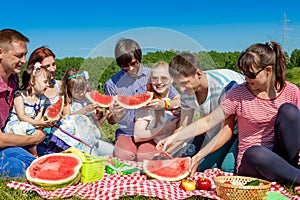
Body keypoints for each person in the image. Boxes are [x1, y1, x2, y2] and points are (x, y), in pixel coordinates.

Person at [157, 42, 300, 193]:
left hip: (281, 154)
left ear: (268, 70)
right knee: (255, 153)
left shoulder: (291, 91)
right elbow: (207, 121)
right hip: (253, 161)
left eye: (251, 74)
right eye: (244, 73)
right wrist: (175, 137)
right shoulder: (237, 94)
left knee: (289, 111)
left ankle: (293, 173)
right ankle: (295, 177)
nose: (246, 79)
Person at [163, 52, 244, 173]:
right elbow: (183, 127)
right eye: (177, 84)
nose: (181, 89)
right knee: (202, 167)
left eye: (184, 83)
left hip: (240, 128)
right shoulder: (187, 93)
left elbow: (227, 130)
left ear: (198, 73)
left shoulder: (224, 85)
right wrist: (169, 148)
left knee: (228, 167)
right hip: (216, 126)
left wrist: (199, 155)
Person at [104, 38, 178, 161]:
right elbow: (111, 121)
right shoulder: (111, 85)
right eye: (125, 66)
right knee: (123, 157)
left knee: (146, 157)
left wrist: (164, 103)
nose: (131, 69)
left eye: (134, 63)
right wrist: (117, 113)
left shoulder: (153, 75)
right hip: (126, 132)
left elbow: (177, 100)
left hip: (151, 131)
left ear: (139, 58)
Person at [0, 29, 46, 177]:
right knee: (17, 167)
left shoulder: (13, 79)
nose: (24, 60)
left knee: (35, 163)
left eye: (25, 54)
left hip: (5, 140)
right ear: (0, 53)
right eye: (19, 55)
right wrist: (32, 139)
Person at [47, 68, 114, 156]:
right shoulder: (68, 101)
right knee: (92, 157)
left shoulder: (88, 101)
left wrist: (105, 116)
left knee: (113, 151)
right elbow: (68, 118)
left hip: (90, 141)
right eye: (76, 91)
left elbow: (94, 126)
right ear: (69, 89)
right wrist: (85, 110)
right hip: (74, 142)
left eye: (83, 89)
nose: (81, 93)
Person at [3, 62, 53, 156]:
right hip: (15, 124)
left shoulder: (41, 100)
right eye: (45, 82)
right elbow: (22, 116)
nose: (48, 85)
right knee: (28, 128)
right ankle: (34, 154)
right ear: (33, 81)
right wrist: (38, 123)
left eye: (49, 82)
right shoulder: (19, 95)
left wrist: (42, 125)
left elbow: (37, 118)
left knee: (38, 132)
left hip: (30, 126)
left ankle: (32, 149)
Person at [133, 61, 180, 161]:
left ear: (171, 80)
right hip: (157, 145)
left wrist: (166, 104)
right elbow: (137, 135)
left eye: (164, 78)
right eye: (155, 78)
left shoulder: (178, 100)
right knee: (144, 156)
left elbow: (182, 101)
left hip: (179, 144)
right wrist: (164, 129)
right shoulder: (146, 104)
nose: (159, 82)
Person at [25, 46, 61, 156]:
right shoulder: (32, 91)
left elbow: (66, 113)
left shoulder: (60, 85)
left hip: (57, 135)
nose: (53, 69)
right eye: (47, 66)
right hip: (36, 136)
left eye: (53, 64)